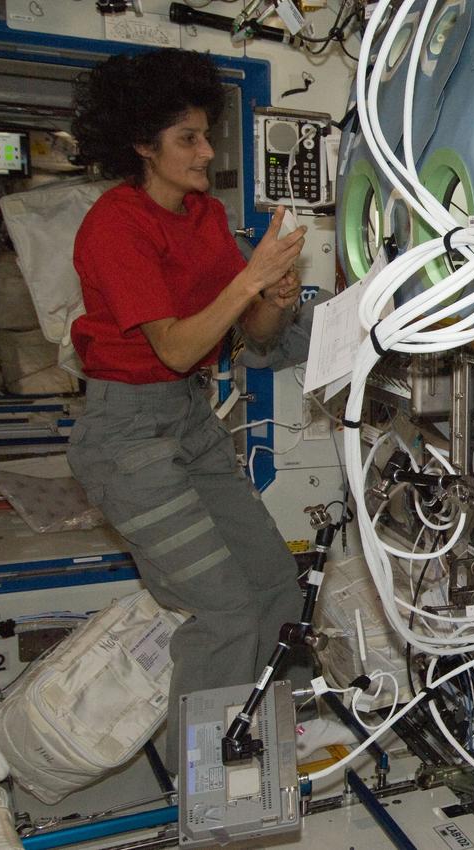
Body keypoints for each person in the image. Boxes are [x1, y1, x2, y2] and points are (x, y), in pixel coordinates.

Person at [66, 48, 308, 771]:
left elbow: (249, 336)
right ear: (143, 145)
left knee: (277, 586)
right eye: (188, 140)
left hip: (189, 420)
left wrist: (272, 298)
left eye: (207, 135)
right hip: (127, 435)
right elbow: (172, 346)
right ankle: (205, 779)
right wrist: (249, 280)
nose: (206, 152)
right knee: (227, 610)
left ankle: (259, 741)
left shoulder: (203, 218)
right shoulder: (115, 225)